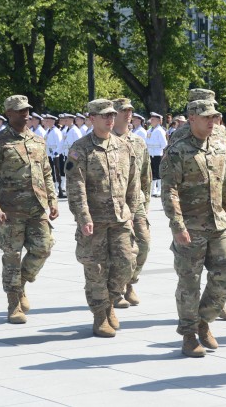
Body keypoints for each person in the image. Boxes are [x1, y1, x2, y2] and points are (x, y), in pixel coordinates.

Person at [160, 99, 226, 357]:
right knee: (189, 282)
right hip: (190, 227)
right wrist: (177, 225)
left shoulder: (218, 145)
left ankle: (203, 320)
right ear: (192, 119)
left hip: (219, 223)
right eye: (206, 117)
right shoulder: (177, 151)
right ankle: (188, 334)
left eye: (214, 116)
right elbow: (169, 190)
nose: (211, 121)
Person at [0, 95, 58, 324]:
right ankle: (13, 303)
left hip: (37, 207)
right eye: (19, 111)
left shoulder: (38, 140)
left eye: (27, 110)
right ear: (8, 114)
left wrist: (52, 200)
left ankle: (21, 282)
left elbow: (46, 173)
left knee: (43, 248)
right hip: (10, 210)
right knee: (12, 256)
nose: (25, 114)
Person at [66, 99, 139, 337]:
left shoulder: (123, 146)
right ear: (91, 119)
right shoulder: (81, 149)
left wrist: (132, 213)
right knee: (96, 270)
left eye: (112, 115)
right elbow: (76, 187)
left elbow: (132, 184)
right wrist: (83, 216)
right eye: (104, 116)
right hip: (94, 221)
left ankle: (110, 301)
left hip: (120, 219)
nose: (110, 119)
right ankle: (100, 315)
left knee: (126, 264)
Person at [111, 97, 152, 307]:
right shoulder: (106, 140)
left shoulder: (138, 141)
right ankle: (117, 290)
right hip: (115, 205)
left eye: (129, 111)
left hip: (137, 203)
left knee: (143, 244)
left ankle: (130, 281)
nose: (128, 114)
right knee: (120, 250)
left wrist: (145, 203)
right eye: (123, 111)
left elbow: (146, 175)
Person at [145, 112, 167, 197]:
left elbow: (164, 144)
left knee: (158, 172)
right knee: (152, 172)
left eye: (153, 119)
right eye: (151, 119)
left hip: (158, 153)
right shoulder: (150, 130)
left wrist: (158, 149)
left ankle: (160, 190)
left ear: (158, 121)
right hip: (151, 153)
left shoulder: (160, 131)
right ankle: (153, 189)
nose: (151, 121)